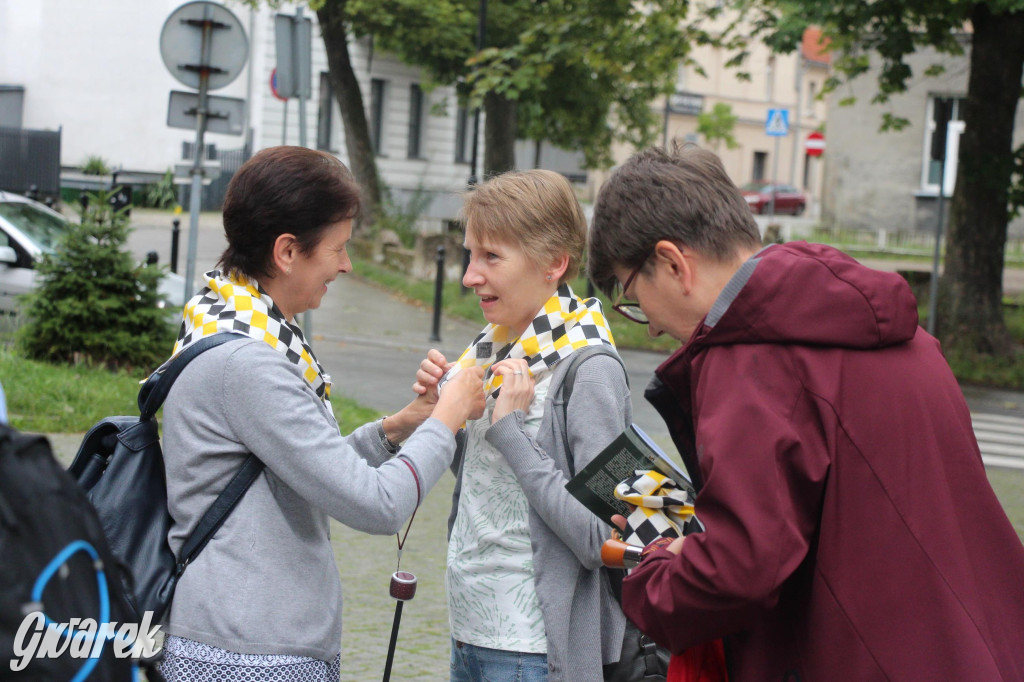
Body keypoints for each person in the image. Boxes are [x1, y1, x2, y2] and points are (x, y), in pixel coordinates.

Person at [587, 145, 1024, 681]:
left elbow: (739, 572)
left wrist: (654, 566)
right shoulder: (902, 335)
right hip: (978, 647)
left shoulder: (750, 361)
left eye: (633, 296)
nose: (648, 325)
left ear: (674, 263)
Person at [155, 146, 485, 682]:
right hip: (251, 653)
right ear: (287, 251)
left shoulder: (235, 324)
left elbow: (300, 475)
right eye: (338, 248)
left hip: (248, 639)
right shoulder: (248, 362)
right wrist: (448, 419)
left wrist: (401, 427)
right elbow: (376, 505)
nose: (347, 265)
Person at [415, 169, 632, 681]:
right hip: (469, 626)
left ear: (554, 263)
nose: (470, 276)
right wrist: (439, 416)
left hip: (534, 649)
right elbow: (494, 489)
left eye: (491, 257)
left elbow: (605, 534)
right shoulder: (493, 349)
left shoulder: (591, 368)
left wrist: (509, 430)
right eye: (470, 254)